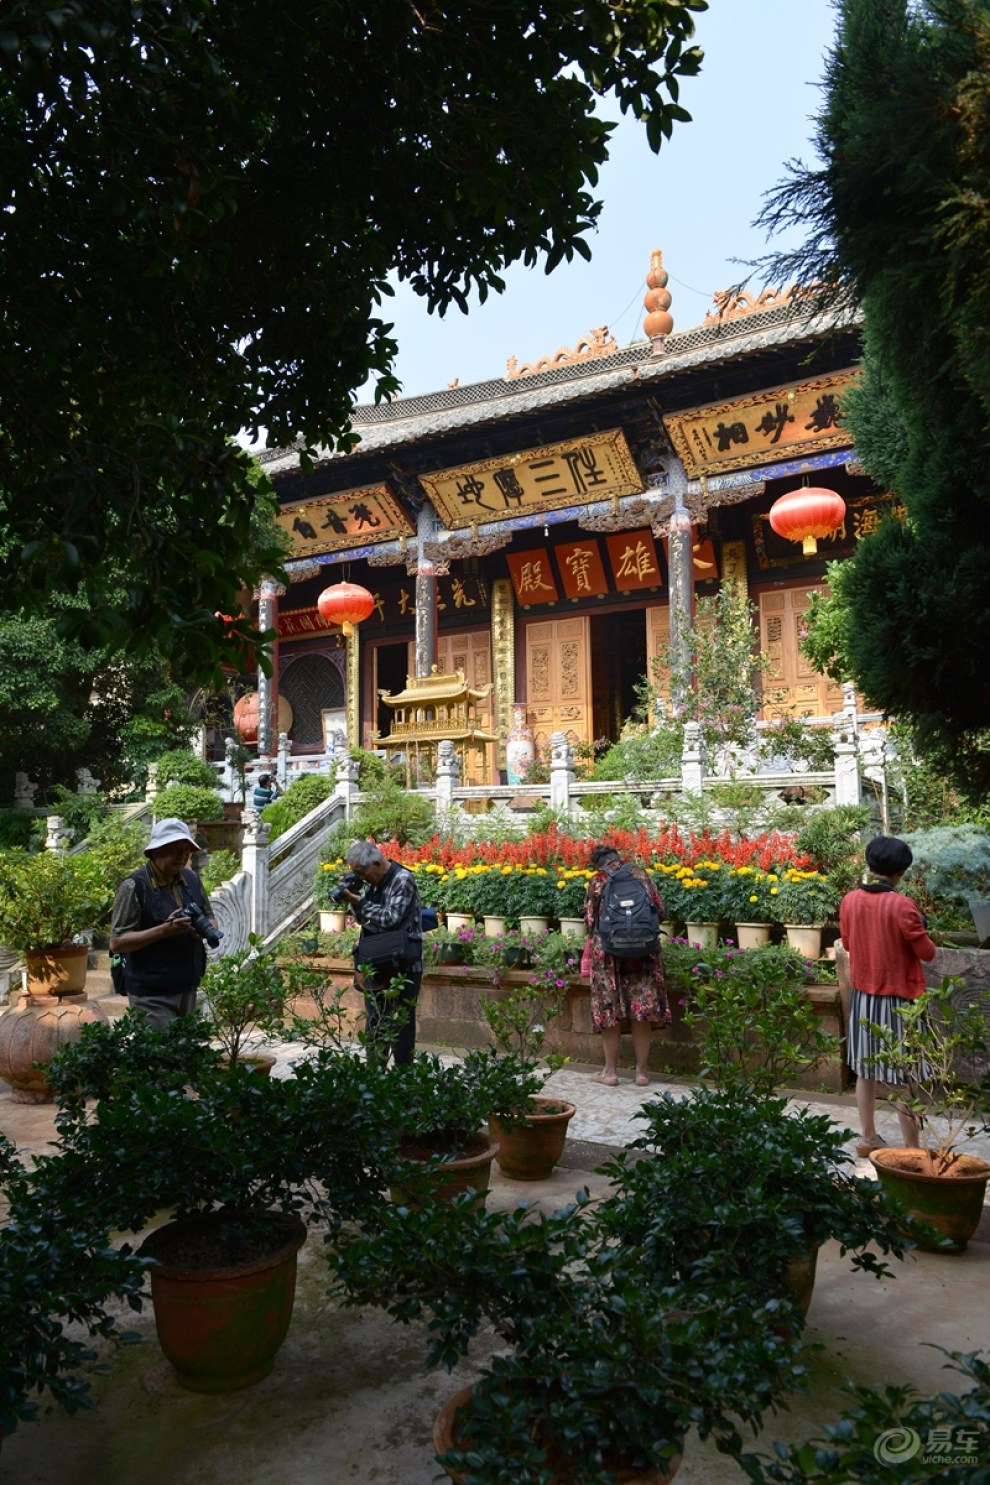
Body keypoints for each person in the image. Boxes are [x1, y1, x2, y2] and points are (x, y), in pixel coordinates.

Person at [839, 834, 937, 1157]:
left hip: (864, 999)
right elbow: (928, 953)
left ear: (870, 864)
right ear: (900, 873)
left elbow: (850, 945)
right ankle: (912, 1150)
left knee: (865, 1071)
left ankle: (868, 1138)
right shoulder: (902, 905)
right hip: (900, 1003)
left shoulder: (850, 901)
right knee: (902, 1075)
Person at [109, 818, 218, 1030]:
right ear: (155, 852)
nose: (182, 856)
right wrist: (164, 930)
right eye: (174, 849)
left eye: (186, 849)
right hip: (151, 993)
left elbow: (209, 915)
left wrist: (204, 930)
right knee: (160, 1059)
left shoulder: (191, 879)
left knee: (187, 1057)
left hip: (188, 987)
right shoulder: (134, 886)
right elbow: (117, 942)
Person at [583, 843, 670, 1087]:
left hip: (608, 956)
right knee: (641, 1010)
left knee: (610, 1010)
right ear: (618, 858)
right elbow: (661, 911)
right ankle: (641, 1073)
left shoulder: (597, 880)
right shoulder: (640, 874)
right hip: (643, 954)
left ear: (597, 863)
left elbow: (591, 920)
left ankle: (610, 1072)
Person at [340, 840, 423, 1066]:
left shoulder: (402, 879)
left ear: (376, 863)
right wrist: (354, 900)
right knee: (376, 1020)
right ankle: (375, 1076)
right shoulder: (372, 883)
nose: (361, 877)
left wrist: (361, 900)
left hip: (404, 965)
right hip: (376, 962)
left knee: (402, 1024)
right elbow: (362, 919)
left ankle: (403, 1078)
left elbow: (389, 918)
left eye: (361, 872)